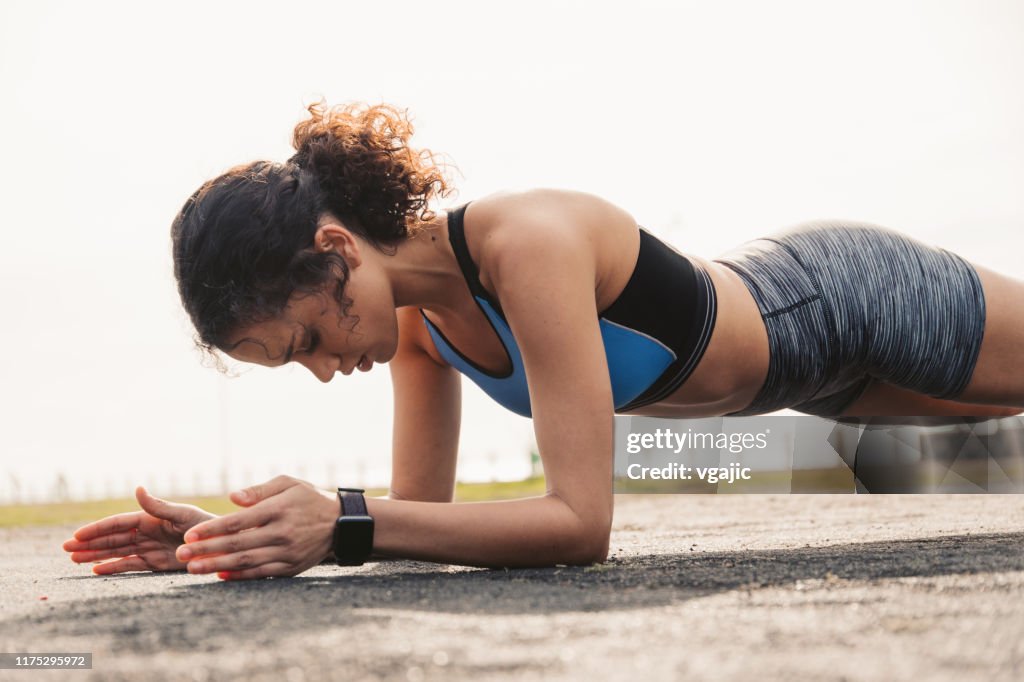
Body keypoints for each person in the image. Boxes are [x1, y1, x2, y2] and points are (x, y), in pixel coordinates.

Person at [63, 101, 1024, 580]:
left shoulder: (528, 246)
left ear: (335, 251)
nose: (323, 371)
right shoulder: (418, 334)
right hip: (824, 389)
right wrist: (240, 539)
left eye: (306, 338)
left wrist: (345, 514)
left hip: (842, 297)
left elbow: (579, 523)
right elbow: (420, 523)